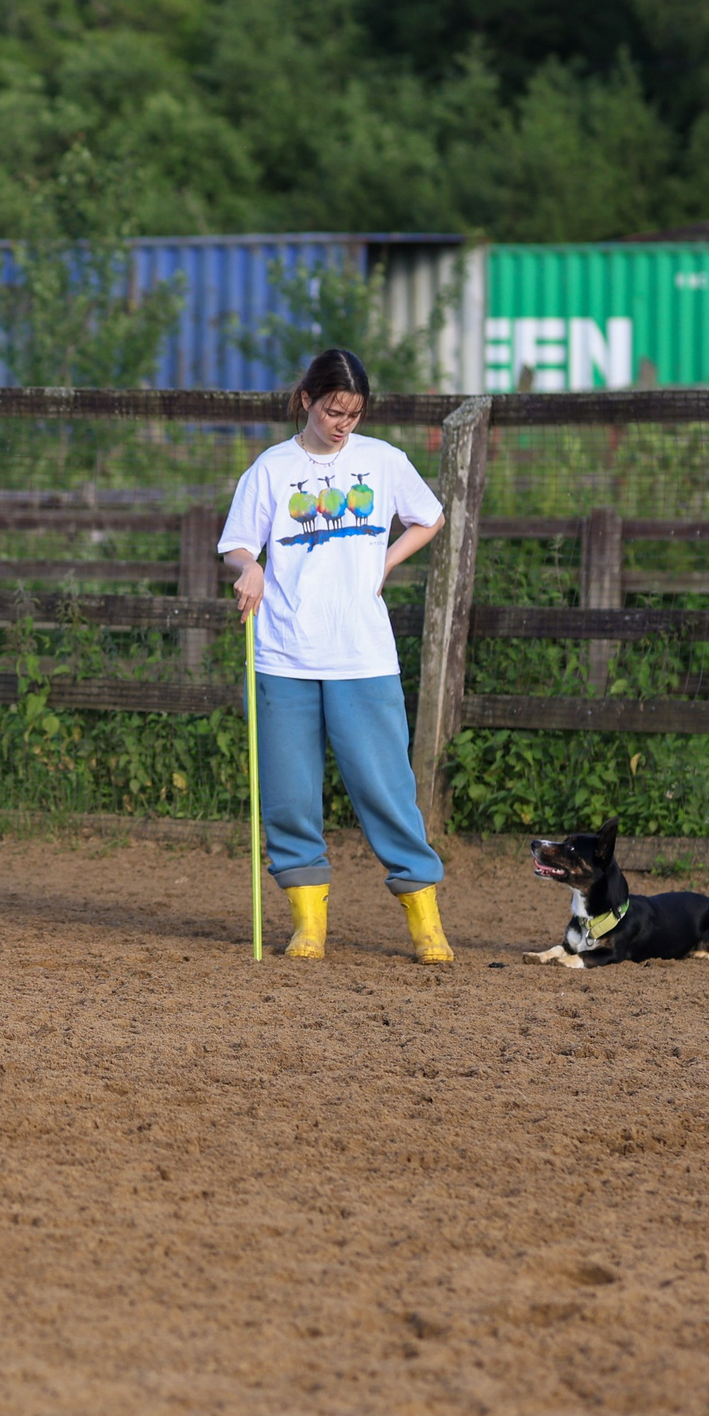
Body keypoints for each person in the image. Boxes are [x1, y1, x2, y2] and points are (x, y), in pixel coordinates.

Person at [218, 347, 454, 962]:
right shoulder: (270, 469)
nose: (342, 423)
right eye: (332, 410)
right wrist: (250, 570)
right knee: (289, 794)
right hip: (282, 654)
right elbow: (237, 547)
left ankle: (425, 921)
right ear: (306, 401)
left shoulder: (382, 461)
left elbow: (429, 517)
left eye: (353, 412)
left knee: (385, 789)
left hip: (362, 654)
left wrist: (385, 562)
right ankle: (308, 924)